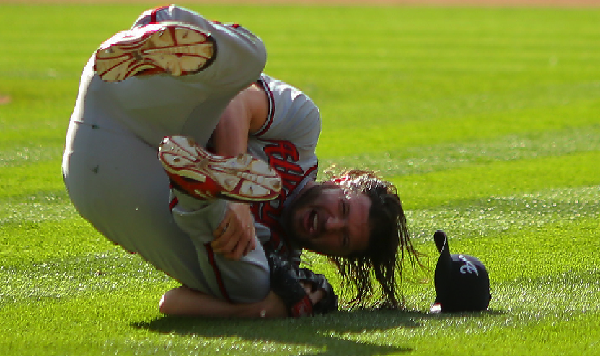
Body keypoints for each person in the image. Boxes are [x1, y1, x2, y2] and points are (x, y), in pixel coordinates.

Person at [62, 4, 420, 318]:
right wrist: (236, 195)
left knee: (252, 281)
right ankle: (154, 45)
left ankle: (198, 190)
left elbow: (171, 303)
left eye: (342, 240)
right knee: (250, 59)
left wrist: (269, 307)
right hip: (133, 87)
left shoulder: (278, 266)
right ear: (340, 182)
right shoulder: (301, 130)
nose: (329, 224)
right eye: (342, 209)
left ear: (334, 256)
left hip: (105, 176)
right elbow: (238, 101)